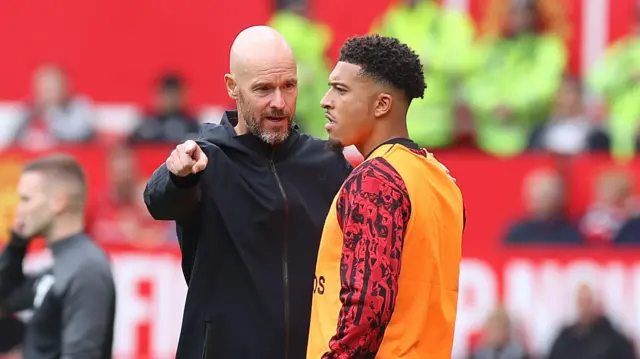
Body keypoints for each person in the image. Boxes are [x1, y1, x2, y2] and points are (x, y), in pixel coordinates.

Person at [143, 26, 351, 359]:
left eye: (289, 86)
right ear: (232, 87)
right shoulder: (204, 160)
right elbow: (158, 201)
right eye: (264, 89)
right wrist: (177, 176)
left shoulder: (327, 162)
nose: (279, 103)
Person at [306, 35, 465, 359]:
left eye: (341, 89)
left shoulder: (375, 181)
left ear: (381, 104)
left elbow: (368, 307)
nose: (325, 100)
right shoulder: (445, 182)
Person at [0, 155, 116, 359]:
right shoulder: (62, 266)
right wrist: (17, 244)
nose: (19, 210)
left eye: (26, 199)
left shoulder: (87, 268)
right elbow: (4, 299)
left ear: (58, 202)